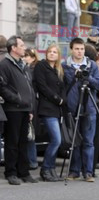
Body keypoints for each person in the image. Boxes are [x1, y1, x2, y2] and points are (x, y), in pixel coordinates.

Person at [63, 38, 99, 182]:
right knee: (75, 141)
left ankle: (88, 172)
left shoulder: (91, 65)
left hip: (89, 108)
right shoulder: (65, 66)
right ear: (71, 49)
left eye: (81, 49)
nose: (79, 52)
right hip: (72, 107)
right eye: (76, 49)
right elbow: (63, 85)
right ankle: (74, 171)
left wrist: (88, 79)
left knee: (88, 141)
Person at [0, 36, 37, 185]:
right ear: (13, 48)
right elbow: (2, 88)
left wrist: (29, 107)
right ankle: (11, 172)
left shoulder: (24, 65)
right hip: (13, 109)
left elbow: (29, 87)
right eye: (21, 45)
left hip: (25, 109)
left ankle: (24, 172)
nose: (24, 48)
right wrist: (17, 100)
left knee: (24, 142)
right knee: (12, 142)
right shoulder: (4, 65)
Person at [34, 44, 65, 181]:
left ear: (58, 55)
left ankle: (51, 169)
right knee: (56, 140)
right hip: (47, 108)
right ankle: (46, 169)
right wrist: (57, 99)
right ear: (46, 54)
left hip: (57, 110)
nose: (52, 54)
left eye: (55, 52)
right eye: (49, 52)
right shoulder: (41, 66)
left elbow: (62, 87)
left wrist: (62, 100)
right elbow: (42, 86)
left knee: (56, 140)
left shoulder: (58, 69)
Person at [24, 48, 39, 170]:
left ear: (33, 58)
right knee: (30, 134)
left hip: (31, 105)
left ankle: (32, 161)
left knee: (29, 134)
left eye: (27, 56)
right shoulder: (28, 69)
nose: (25, 58)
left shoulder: (31, 70)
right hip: (32, 104)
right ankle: (32, 160)